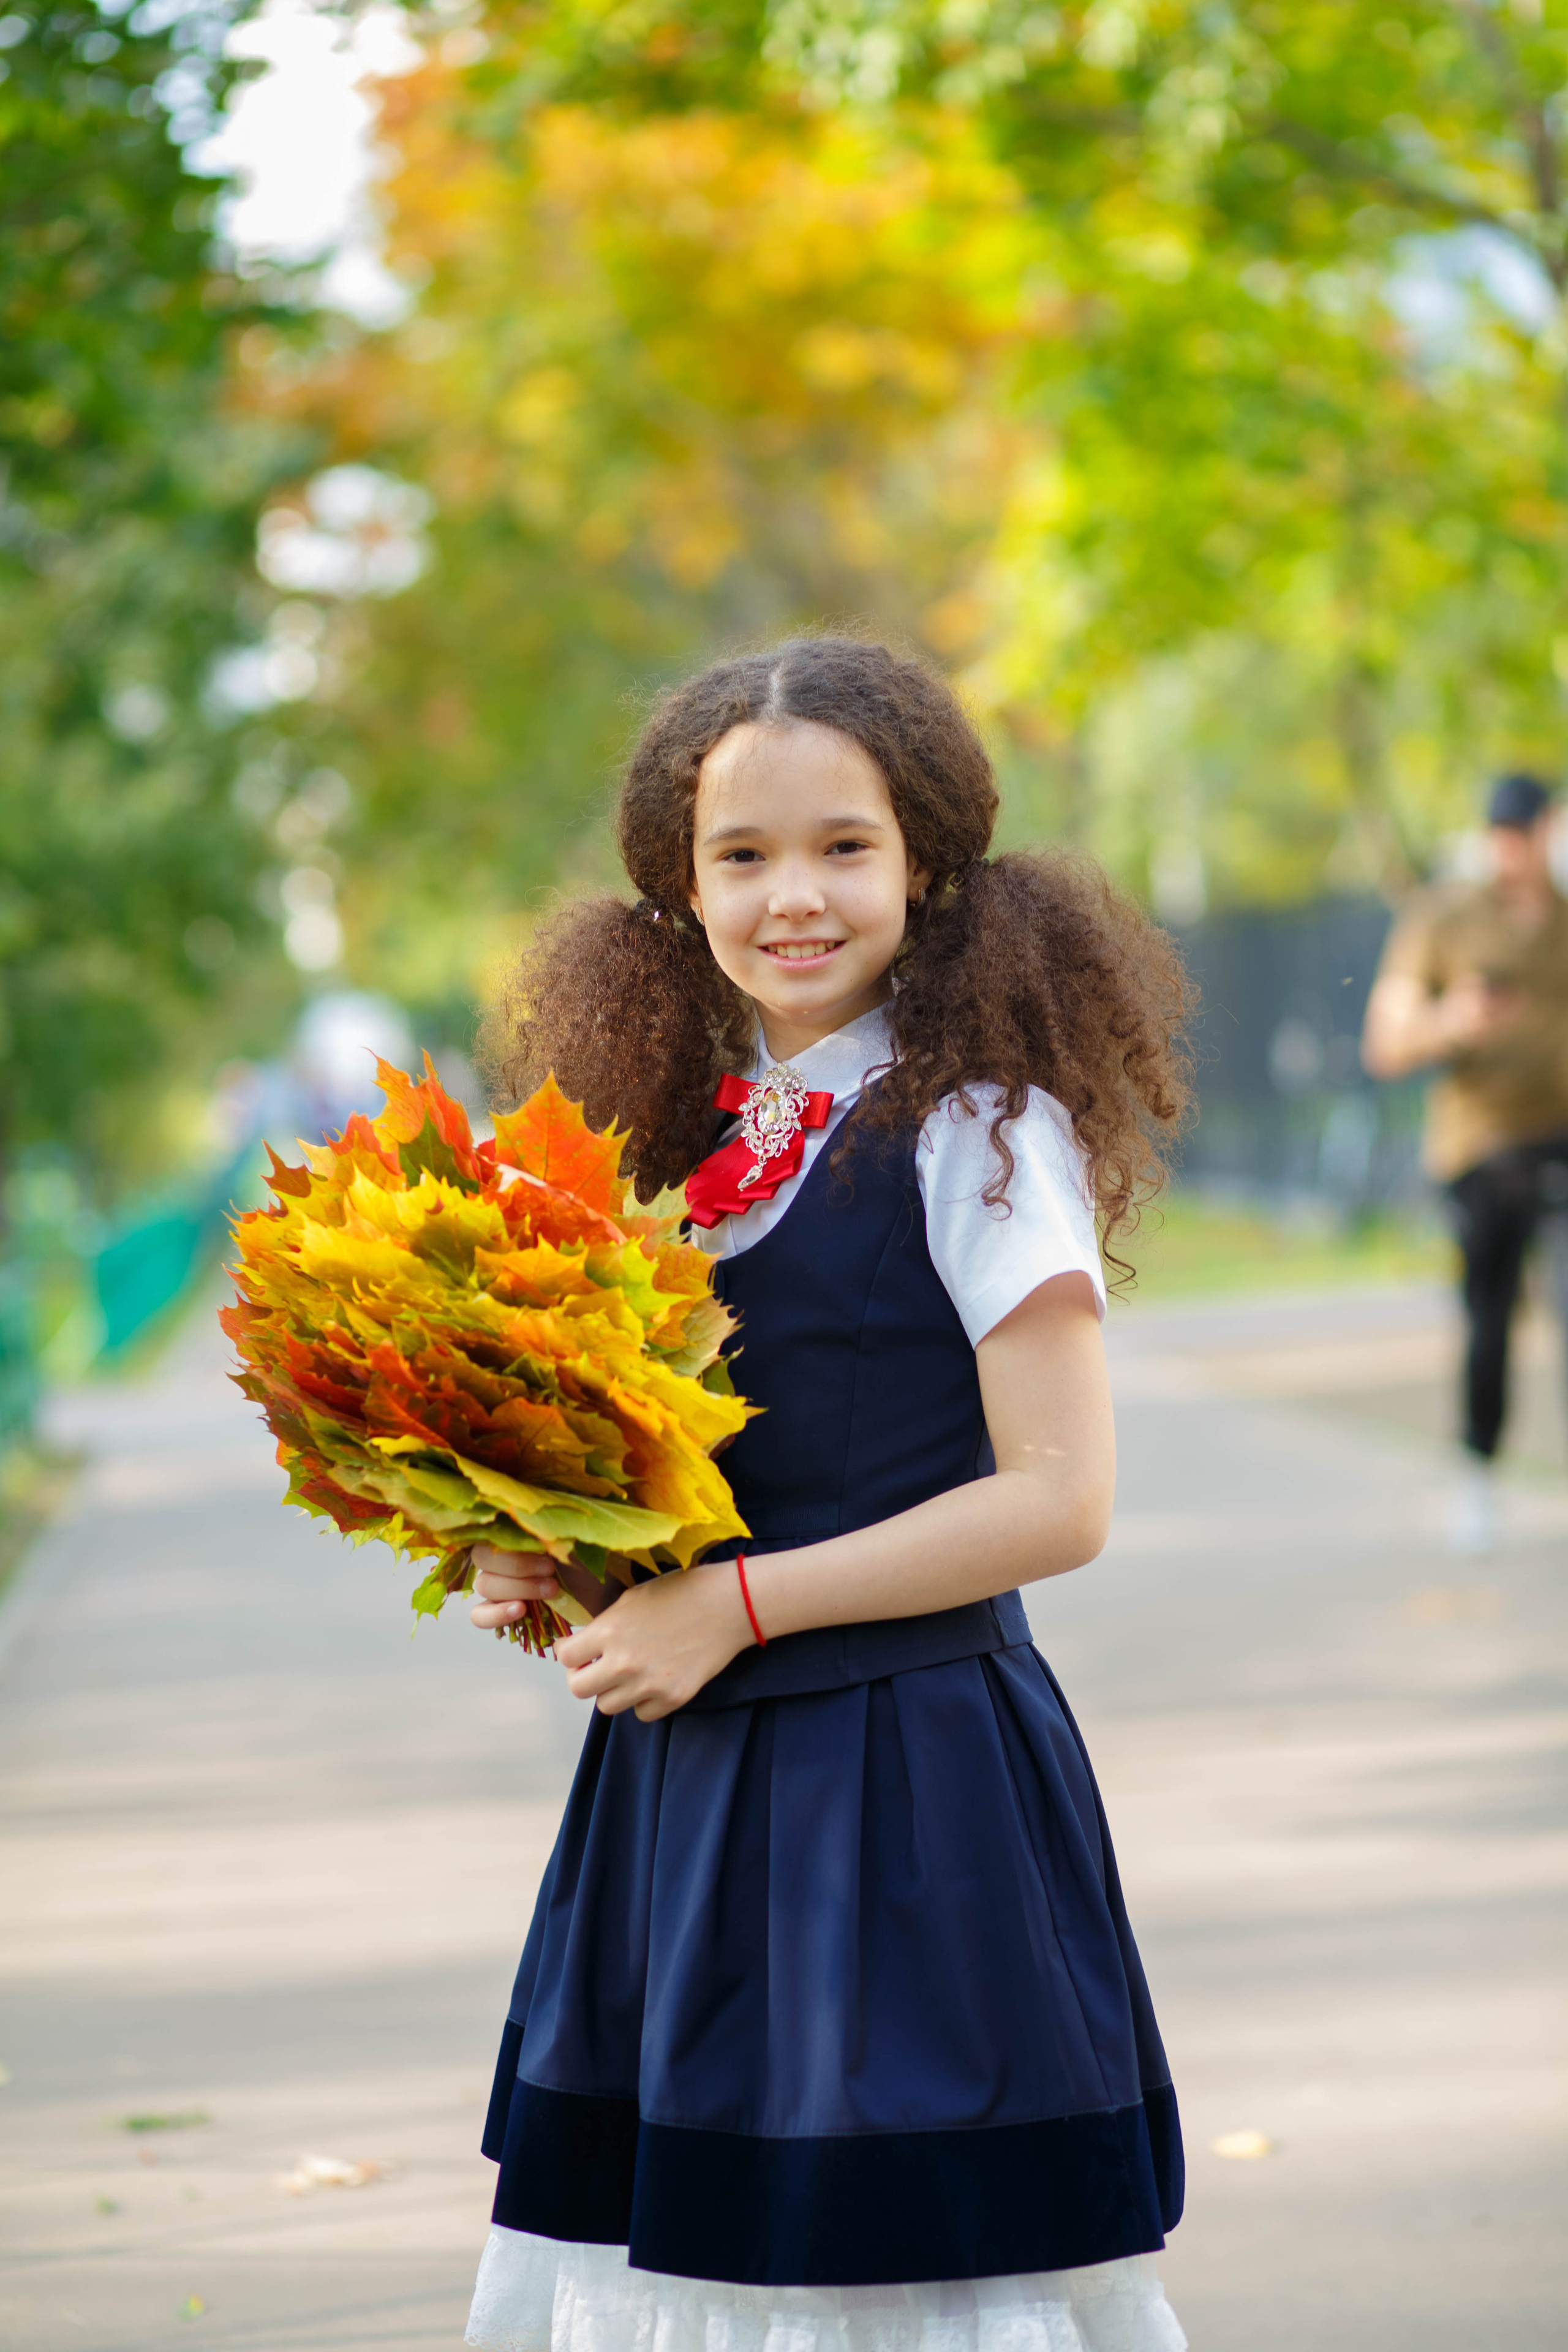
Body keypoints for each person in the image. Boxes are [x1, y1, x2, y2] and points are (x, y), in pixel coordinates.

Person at [463, 637, 1192, 2352]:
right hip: (688, 1799)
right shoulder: (678, 1136)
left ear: (927, 861)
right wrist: (546, 1545)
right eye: (744, 855)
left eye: (843, 846)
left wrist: (729, 1604)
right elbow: (686, 1473)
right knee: (698, 2252)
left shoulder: (976, 1127)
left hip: (907, 1785)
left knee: (882, 2251)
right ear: (676, 882)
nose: (795, 894)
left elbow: (1061, 1500)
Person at [1363, 771, 1568, 1550]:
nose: (1510, 850)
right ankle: (1478, 1476)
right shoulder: (1443, 917)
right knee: (1490, 1317)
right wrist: (1453, 1021)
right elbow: (1385, 1043)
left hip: (1563, 1137)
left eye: (1524, 832)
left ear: (1549, 829)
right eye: (1499, 835)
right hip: (1483, 1149)